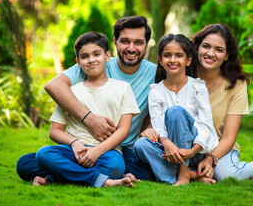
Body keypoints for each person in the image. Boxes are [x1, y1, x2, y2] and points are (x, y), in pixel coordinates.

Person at [16, 16, 156, 182]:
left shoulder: (155, 73)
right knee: (26, 164)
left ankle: (59, 176)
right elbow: (53, 86)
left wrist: (150, 127)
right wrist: (89, 119)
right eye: (125, 41)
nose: (131, 48)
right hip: (79, 146)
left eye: (138, 42)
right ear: (115, 42)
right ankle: (99, 178)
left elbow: (167, 101)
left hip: (119, 148)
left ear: (146, 44)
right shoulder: (95, 63)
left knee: (128, 166)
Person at [191, 23, 253, 183]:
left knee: (227, 176)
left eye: (219, 49)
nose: (210, 53)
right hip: (187, 146)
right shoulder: (184, 75)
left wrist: (210, 158)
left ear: (227, 55)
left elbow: (229, 136)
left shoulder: (236, 84)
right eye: (206, 46)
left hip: (218, 148)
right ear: (197, 48)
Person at [133, 34, 219, 186]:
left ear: (188, 60)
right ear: (160, 60)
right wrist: (166, 143)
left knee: (175, 112)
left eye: (179, 55)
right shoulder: (155, 91)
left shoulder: (197, 87)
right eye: (167, 55)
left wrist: (193, 150)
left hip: (195, 151)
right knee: (141, 145)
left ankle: (184, 175)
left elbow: (206, 125)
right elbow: (158, 125)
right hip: (169, 151)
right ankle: (191, 175)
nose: (172, 60)